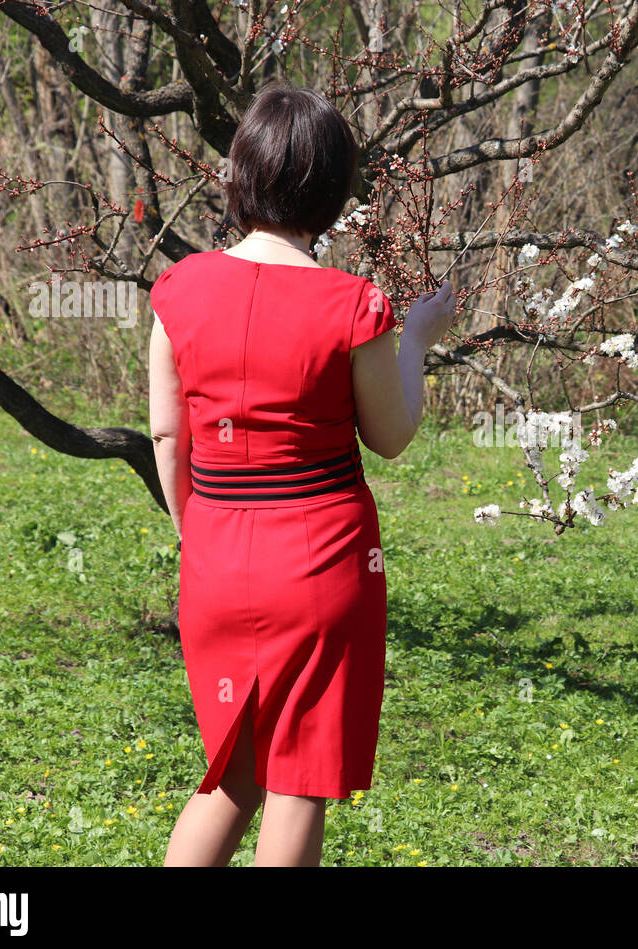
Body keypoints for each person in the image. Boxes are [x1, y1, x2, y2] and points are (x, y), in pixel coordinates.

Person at [147, 84, 457, 866]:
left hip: (216, 557)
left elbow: (165, 430)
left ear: (238, 175)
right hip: (321, 562)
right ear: (332, 189)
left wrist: (198, 532)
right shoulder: (353, 304)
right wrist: (416, 336)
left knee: (230, 774)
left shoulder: (179, 288)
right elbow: (390, 436)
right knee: (296, 781)